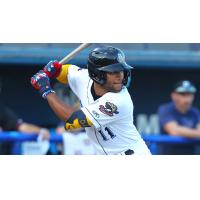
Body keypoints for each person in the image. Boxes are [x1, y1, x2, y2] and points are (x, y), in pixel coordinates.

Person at [30, 46, 151, 155]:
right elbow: (67, 72)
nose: (120, 76)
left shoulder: (119, 101)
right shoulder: (84, 78)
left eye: (121, 70)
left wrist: (46, 90)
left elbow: (73, 120)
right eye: (113, 72)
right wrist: (56, 70)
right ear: (97, 74)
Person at [157, 80, 200, 154]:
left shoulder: (195, 112)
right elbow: (174, 131)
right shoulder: (165, 109)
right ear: (173, 96)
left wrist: (185, 132)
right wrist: (195, 133)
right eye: (183, 94)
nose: (187, 98)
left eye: (189, 94)